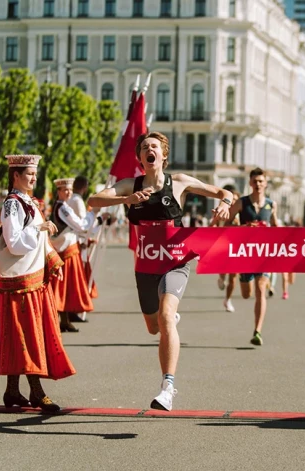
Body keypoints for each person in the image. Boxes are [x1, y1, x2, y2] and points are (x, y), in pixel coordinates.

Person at [87, 131, 233, 411]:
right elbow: (94, 200)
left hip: (175, 260)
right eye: (144, 147)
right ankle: (168, 319)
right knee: (154, 327)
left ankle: (167, 386)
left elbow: (223, 192)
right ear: (141, 158)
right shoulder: (131, 185)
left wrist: (225, 205)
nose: (149, 150)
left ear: (163, 155)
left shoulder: (178, 182)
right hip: (145, 265)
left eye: (154, 146)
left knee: (166, 317)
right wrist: (124, 201)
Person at [0, 154, 74, 412]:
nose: (34, 177)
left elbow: (39, 241)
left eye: (35, 173)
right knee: (27, 336)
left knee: (19, 337)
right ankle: (36, 392)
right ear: (15, 175)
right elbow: (15, 242)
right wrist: (40, 230)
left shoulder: (28, 202)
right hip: (19, 281)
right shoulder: (12, 204)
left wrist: (53, 261)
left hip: (30, 278)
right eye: (29, 173)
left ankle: (12, 391)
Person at [228, 168, 279, 346]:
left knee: (260, 290)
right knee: (246, 294)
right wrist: (244, 228)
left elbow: (276, 226)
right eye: (255, 181)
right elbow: (226, 226)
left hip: (263, 254)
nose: (258, 184)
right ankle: (244, 282)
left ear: (265, 183)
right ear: (250, 183)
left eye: (261, 181)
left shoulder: (271, 204)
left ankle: (257, 331)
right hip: (245, 254)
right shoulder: (242, 203)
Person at [49, 178, 102, 333]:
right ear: (58, 191)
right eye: (65, 190)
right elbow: (81, 225)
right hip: (66, 250)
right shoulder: (62, 208)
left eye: (69, 189)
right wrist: (95, 215)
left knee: (67, 286)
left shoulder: (64, 206)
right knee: (64, 286)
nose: (68, 192)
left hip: (69, 247)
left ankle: (64, 320)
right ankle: (59, 319)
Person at [67, 175, 96, 323]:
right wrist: (99, 219)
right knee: (77, 279)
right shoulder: (77, 201)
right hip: (77, 243)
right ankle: (73, 309)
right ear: (84, 187)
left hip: (76, 241)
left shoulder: (72, 200)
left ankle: (73, 310)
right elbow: (84, 225)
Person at [215, 184, 240, 313]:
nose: (233, 202)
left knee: (234, 277)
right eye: (232, 199)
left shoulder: (240, 215)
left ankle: (228, 299)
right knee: (223, 269)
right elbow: (211, 227)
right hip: (222, 247)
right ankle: (221, 277)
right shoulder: (220, 211)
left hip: (236, 248)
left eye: (236, 199)